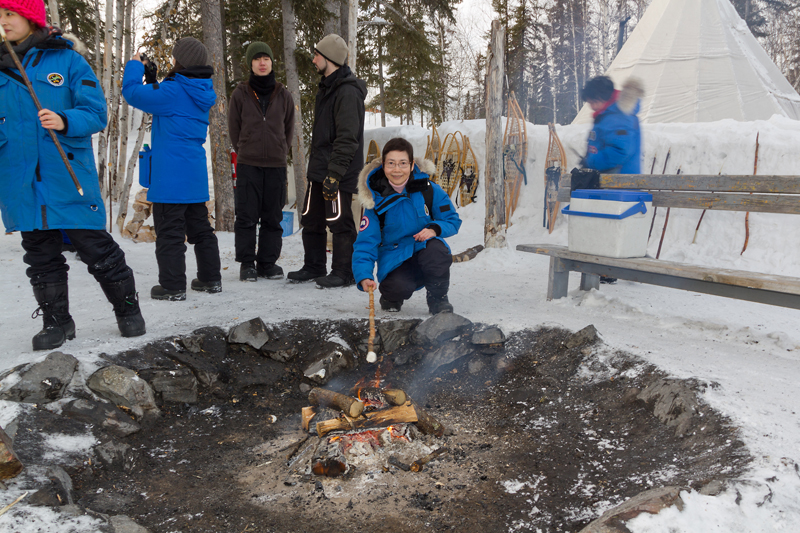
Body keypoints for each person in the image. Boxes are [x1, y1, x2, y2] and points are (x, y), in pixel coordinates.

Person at [0, 0, 145, 350]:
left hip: (66, 175)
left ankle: (128, 311)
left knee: (97, 248)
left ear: (30, 17)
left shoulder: (66, 60)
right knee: (39, 254)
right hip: (21, 180)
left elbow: (96, 112)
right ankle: (57, 322)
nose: (2, 21)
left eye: (8, 13)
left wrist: (65, 120)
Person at [122, 37, 222, 301]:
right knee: (201, 230)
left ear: (181, 61)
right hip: (194, 175)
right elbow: (168, 102)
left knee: (170, 233)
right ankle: (211, 279)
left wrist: (134, 67)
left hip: (170, 177)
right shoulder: (200, 89)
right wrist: (154, 79)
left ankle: (173, 286)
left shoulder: (173, 90)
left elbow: (132, 93)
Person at [287, 33, 366, 289]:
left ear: (329, 58)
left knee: (339, 221)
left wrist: (334, 174)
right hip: (319, 170)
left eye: (317, 55)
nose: (313, 59)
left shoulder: (347, 92)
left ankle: (344, 272)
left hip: (337, 172)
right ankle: (314, 265)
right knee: (311, 219)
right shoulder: (327, 87)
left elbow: (348, 138)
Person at [353, 137, 462, 314]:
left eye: (403, 163)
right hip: (395, 257)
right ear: (383, 165)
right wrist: (364, 275)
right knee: (397, 288)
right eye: (391, 163)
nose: (397, 170)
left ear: (411, 165)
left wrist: (434, 229)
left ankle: (438, 298)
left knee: (437, 252)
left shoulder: (429, 190)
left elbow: (452, 220)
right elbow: (366, 243)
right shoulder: (374, 201)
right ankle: (390, 296)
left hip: (425, 249)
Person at [228, 41, 294, 282]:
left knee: (272, 217)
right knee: (246, 216)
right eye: (257, 59)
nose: (262, 63)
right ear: (250, 64)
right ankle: (247, 264)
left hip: (276, 166)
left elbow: (288, 129)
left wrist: (279, 150)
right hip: (248, 165)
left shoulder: (283, 94)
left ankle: (267, 263)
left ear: (272, 62)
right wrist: (246, 149)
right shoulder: (240, 93)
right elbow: (234, 129)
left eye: (266, 58)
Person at [581, 75, 643, 284]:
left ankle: (612, 269)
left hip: (618, 180)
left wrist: (592, 161)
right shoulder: (610, 113)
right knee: (608, 223)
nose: (590, 106)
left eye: (591, 101)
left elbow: (619, 151)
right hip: (613, 180)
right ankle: (610, 268)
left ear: (600, 98)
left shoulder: (617, 116)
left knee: (610, 223)